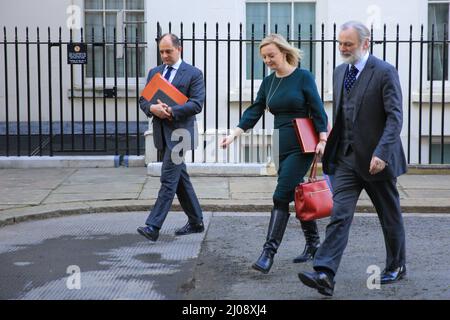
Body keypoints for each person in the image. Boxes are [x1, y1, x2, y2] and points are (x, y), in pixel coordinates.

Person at [298, 21, 407, 297]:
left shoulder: (384, 72)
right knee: (339, 214)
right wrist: (327, 143)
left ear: (365, 43)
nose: (343, 48)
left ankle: (396, 265)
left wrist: (382, 152)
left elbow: (395, 117)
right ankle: (324, 271)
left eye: (348, 44)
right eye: (340, 43)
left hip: (375, 159)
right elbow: (343, 115)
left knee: (389, 214)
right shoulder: (339, 71)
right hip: (346, 159)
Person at [221, 34, 328, 274]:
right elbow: (255, 109)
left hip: (302, 144)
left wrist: (322, 138)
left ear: (283, 52)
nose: (268, 60)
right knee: (297, 191)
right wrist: (234, 134)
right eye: (264, 57)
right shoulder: (268, 83)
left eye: (271, 55)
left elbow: (318, 108)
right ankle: (313, 244)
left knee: (281, 195)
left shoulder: (303, 76)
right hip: (280, 143)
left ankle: (268, 252)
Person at [137, 33, 205, 242]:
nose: (164, 55)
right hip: (161, 134)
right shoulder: (154, 72)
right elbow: (143, 100)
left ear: (179, 49)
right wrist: (153, 108)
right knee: (179, 178)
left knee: (168, 178)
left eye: (169, 51)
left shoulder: (193, 73)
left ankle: (153, 226)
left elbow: (196, 104)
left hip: (180, 135)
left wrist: (172, 111)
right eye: (161, 52)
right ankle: (196, 221)